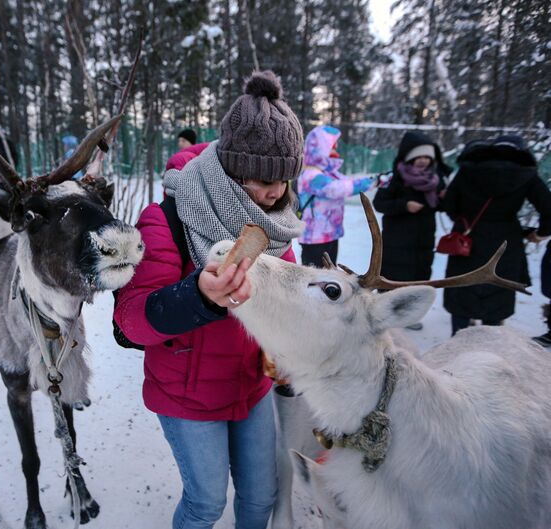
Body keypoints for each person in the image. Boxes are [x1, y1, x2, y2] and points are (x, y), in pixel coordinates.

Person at [114, 70, 304, 529]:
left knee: (262, 499)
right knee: (206, 504)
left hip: (250, 388)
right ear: (233, 168)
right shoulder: (167, 219)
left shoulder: (277, 226)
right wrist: (199, 294)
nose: (275, 192)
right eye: (262, 179)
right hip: (188, 397)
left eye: (283, 178)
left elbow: (286, 306)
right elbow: (131, 323)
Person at [442, 135, 551, 336]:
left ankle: (456, 340)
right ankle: (491, 344)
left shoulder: (468, 169)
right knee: (497, 289)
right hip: (506, 241)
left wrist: (463, 219)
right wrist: (539, 234)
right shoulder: (526, 174)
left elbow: (448, 204)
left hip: (467, 240)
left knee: (463, 286)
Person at [372, 132, 451, 330]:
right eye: (419, 156)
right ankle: (385, 312)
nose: (424, 161)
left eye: (427, 157)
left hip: (423, 238)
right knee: (393, 273)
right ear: (408, 157)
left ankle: (411, 315)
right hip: (396, 238)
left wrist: (444, 198)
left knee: (419, 274)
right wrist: (404, 205)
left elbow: (440, 207)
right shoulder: (393, 178)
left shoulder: (436, 179)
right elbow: (380, 203)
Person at [296, 125, 375, 266]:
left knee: (330, 276)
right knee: (316, 279)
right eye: (332, 146)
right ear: (321, 148)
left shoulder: (328, 173)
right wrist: (373, 182)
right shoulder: (311, 175)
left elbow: (347, 182)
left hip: (330, 235)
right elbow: (338, 189)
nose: (335, 149)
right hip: (315, 238)